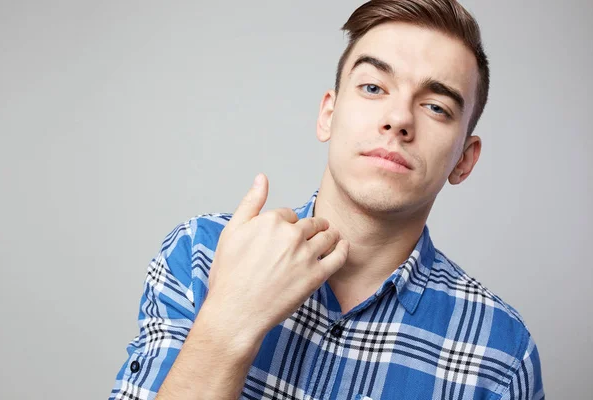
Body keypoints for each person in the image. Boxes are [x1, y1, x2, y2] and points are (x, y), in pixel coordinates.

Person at [109, 0, 544, 399]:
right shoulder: (202, 255)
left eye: (436, 108)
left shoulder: (501, 355)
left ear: (464, 161)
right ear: (328, 115)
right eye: (374, 88)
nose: (398, 119)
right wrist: (227, 324)